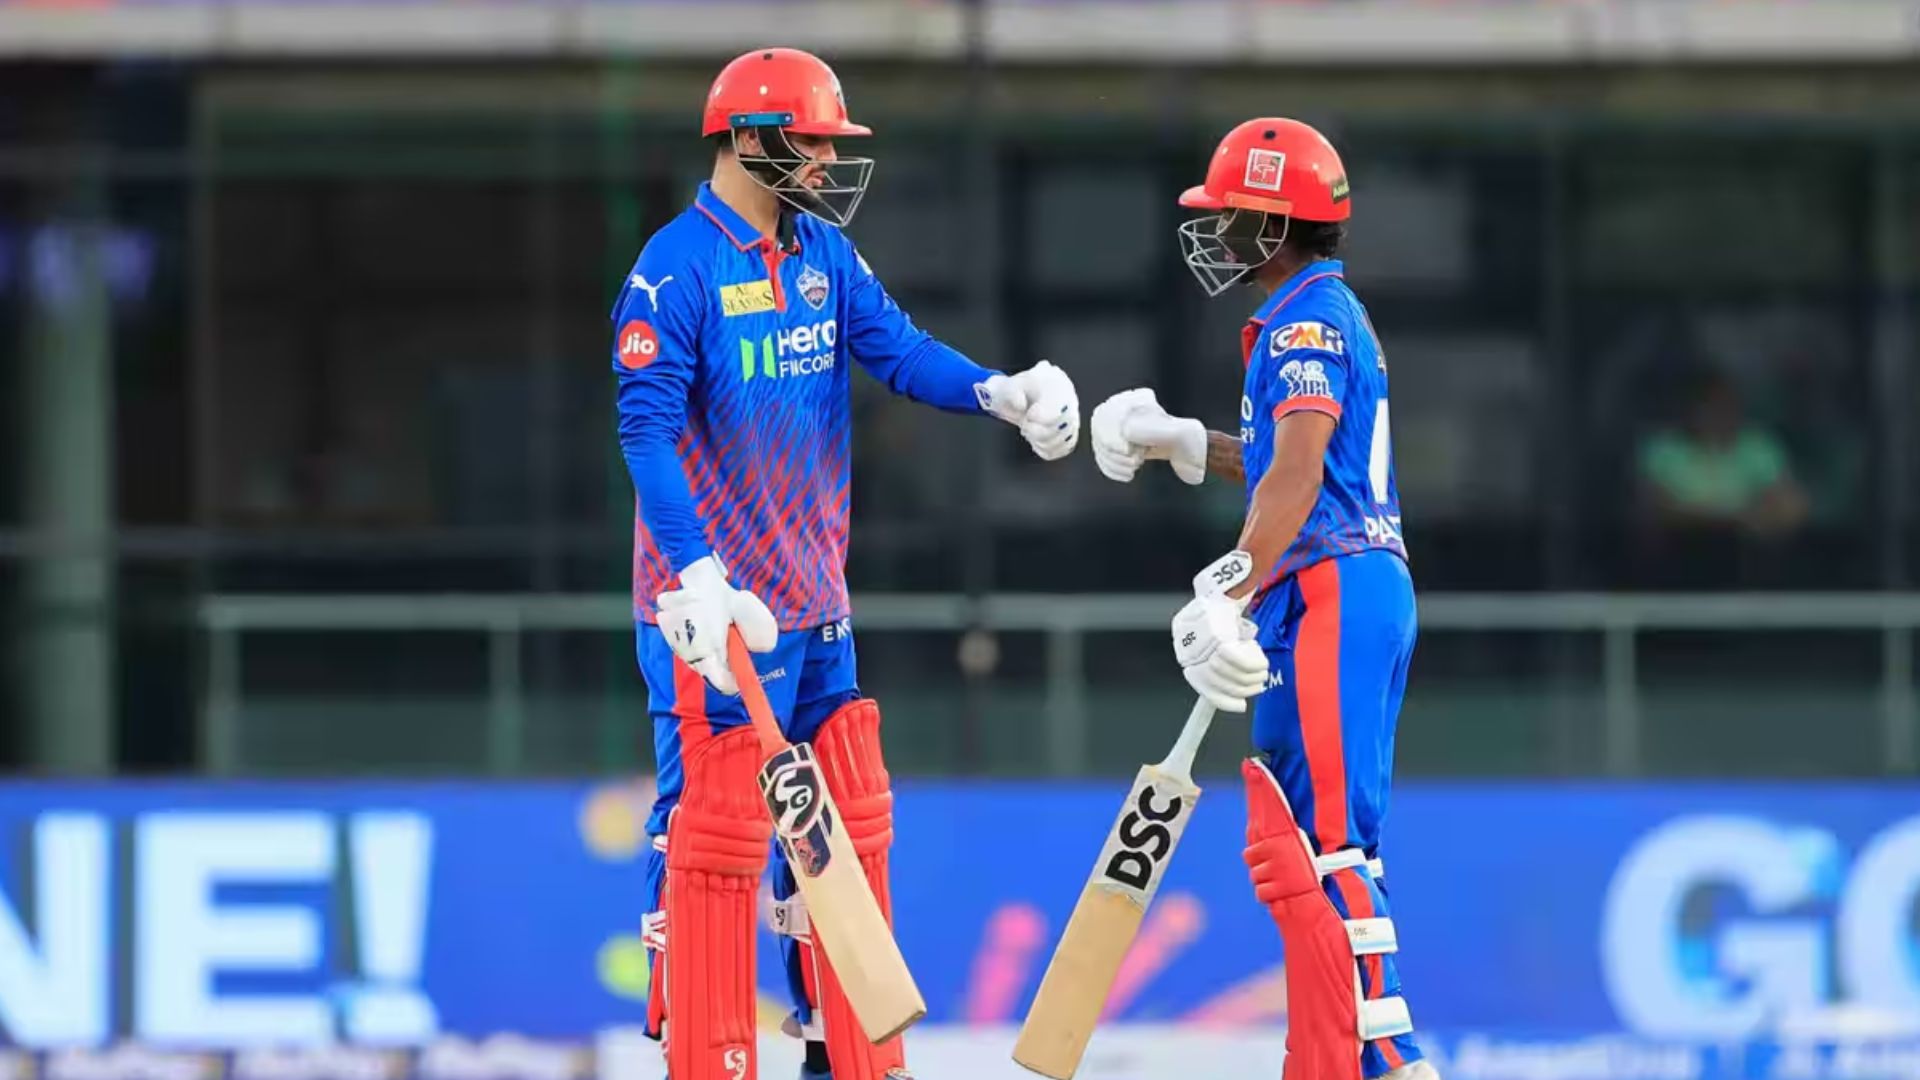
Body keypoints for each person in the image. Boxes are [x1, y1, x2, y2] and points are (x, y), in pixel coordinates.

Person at [614, 47, 1081, 1080]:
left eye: (832, 143)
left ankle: (841, 1054)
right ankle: (700, 1052)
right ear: (746, 139)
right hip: (718, 616)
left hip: (816, 603)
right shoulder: (674, 268)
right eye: (811, 141)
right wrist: (695, 573)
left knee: (843, 822)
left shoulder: (823, 252)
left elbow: (900, 352)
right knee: (712, 831)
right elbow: (644, 429)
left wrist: (997, 391)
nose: (827, 161)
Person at [1088, 118, 1435, 1080]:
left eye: (1230, 214)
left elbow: (1301, 471)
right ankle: (1335, 1053)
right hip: (1331, 583)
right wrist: (1182, 441)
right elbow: (1286, 464)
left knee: (1331, 845)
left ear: (1274, 224)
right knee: (1296, 841)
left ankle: (1392, 1059)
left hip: (1331, 587)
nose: (1216, 231)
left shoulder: (1306, 322)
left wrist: (1230, 582)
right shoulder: (1312, 312)